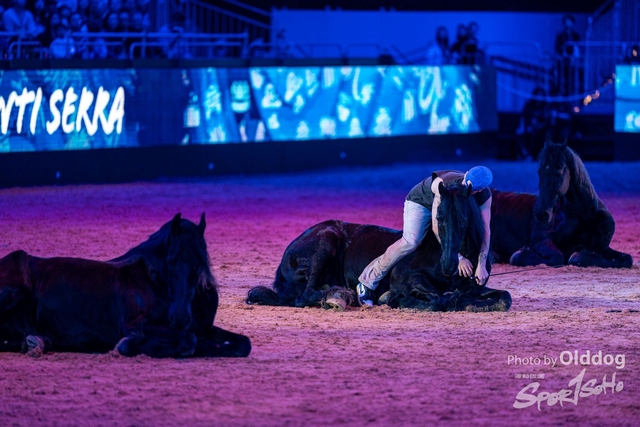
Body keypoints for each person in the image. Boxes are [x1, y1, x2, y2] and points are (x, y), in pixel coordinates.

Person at [357, 166, 493, 306]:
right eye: (465, 183)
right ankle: (367, 282)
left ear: (480, 190)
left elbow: (485, 231)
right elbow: (437, 225)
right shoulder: (442, 184)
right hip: (422, 202)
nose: (464, 187)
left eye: (471, 190)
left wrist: (481, 265)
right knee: (411, 241)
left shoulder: (485, 195)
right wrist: (459, 257)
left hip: (450, 207)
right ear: (465, 174)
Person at [554, 14, 581, 95]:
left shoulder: (576, 36)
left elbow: (577, 47)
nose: (568, 23)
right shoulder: (560, 36)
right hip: (562, 62)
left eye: (570, 21)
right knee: (560, 80)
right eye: (566, 21)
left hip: (572, 62)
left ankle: (570, 95)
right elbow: (557, 47)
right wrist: (563, 52)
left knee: (571, 80)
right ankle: (560, 95)